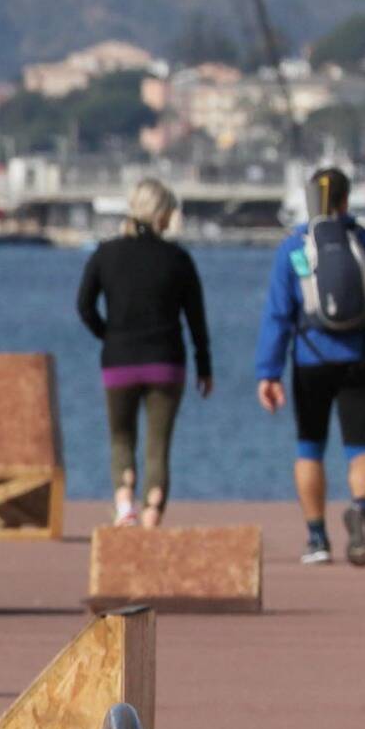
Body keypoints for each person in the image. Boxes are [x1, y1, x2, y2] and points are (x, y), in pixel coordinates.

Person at [255, 165, 365, 566]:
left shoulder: (294, 248)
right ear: (346, 200)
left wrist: (268, 372)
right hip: (360, 361)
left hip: (310, 362)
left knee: (309, 449)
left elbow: (278, 315)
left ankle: (317, 538)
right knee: (362, 448)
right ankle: (360, 507)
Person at [76, 176, 213, 528]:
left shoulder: (105, 254)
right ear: (161, 214)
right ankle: (152, 513)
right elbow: (196, 319)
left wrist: (108, 336)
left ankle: (125, 504)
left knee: (121, 437)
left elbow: (84, 306)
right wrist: (204, 366)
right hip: (167, 363)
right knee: (158, 444)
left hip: (119, 361)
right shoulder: (178, 259)